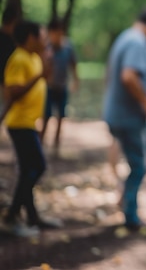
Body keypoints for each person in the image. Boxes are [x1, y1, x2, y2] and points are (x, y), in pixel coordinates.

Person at [102, 8, 146, 230]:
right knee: (139, 164)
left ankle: (126, 197)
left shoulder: (127, 37)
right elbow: (128, 76)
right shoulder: (137, 42)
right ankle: (130, 214)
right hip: (126, 117)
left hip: (127, 115)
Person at [1, 20, 61, 237]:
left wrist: (46, 69)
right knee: (37, 167)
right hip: (19, 123)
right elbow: (12, 92)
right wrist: (38, 76)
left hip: (29, 123)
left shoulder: (34, 57)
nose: (44, 40)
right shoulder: (18, 59)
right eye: (41, 36)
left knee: (29, 170)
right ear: (30, 37)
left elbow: (44, 80)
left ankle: (32, 217)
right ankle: (11, 216)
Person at [40, 18, 79, 152]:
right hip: (48, 87)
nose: (56, 36)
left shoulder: (68, 46)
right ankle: (40, 144)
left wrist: (76, 80)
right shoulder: (46, 47)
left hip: (62, 86)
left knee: (61, 117)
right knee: (46, 116)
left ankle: (56, 146)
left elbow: (73, 64)